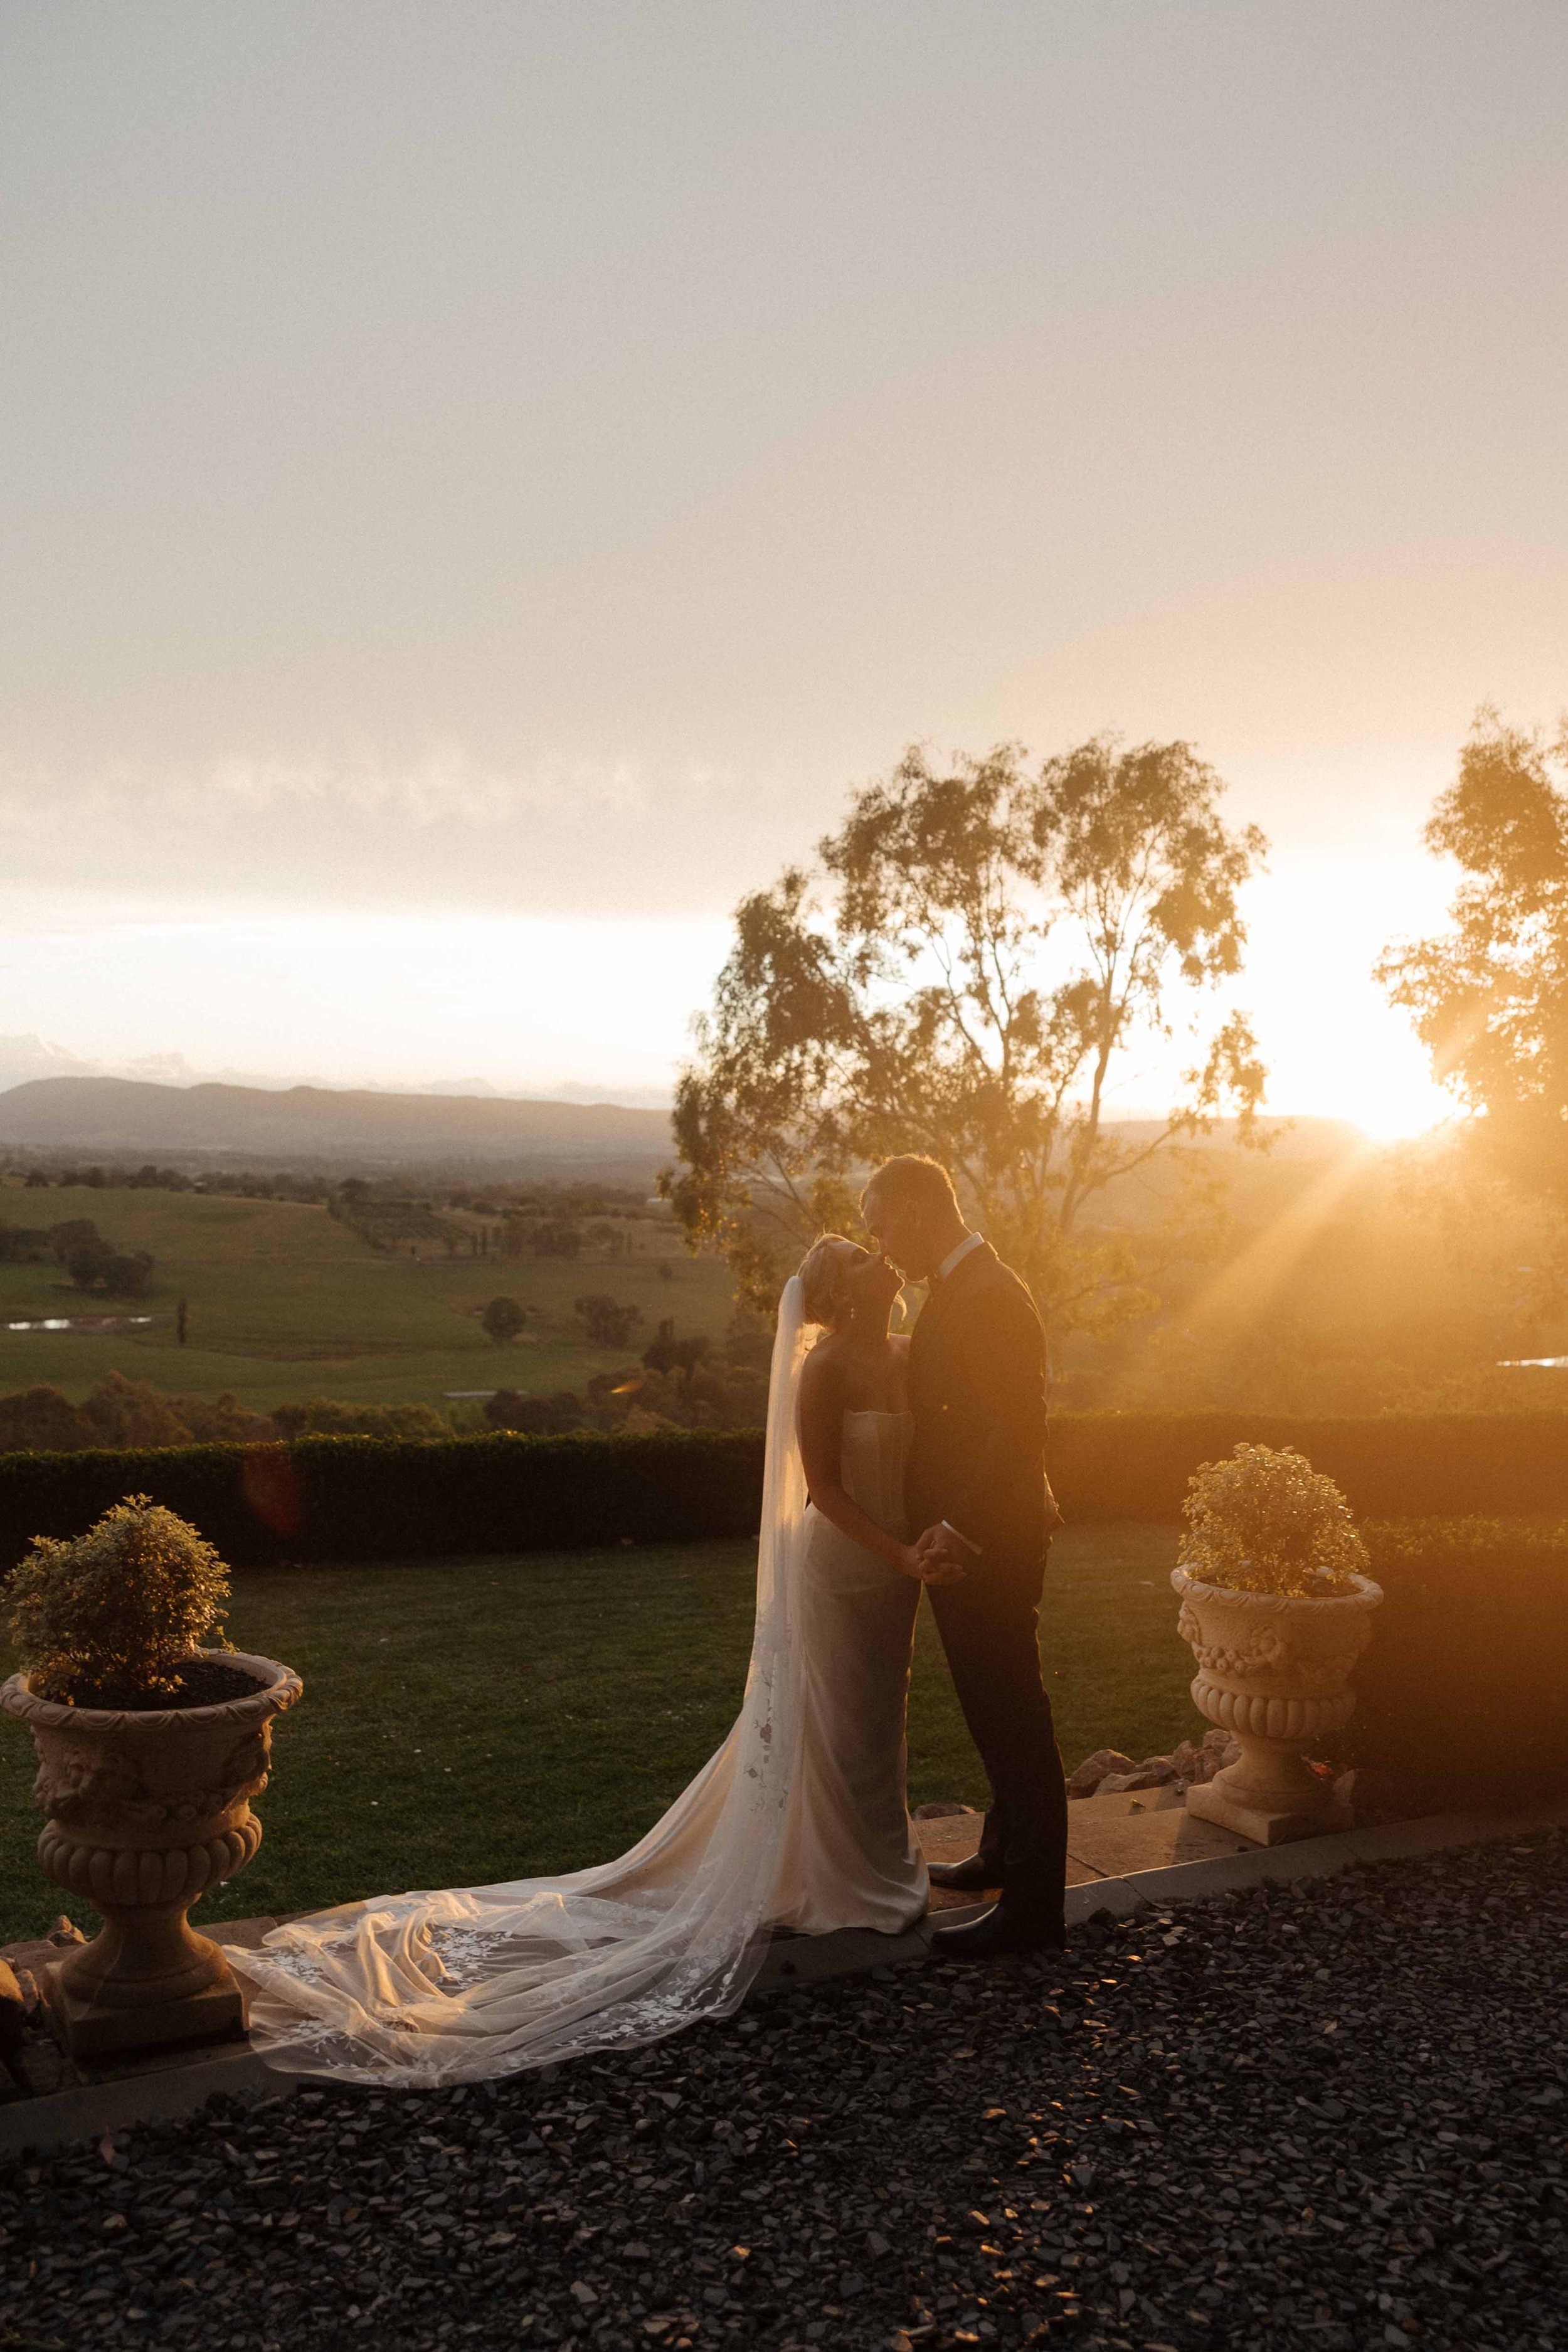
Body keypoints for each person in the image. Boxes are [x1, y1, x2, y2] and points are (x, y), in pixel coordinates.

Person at [226, 1237, 957, 2087]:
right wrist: (900, 1553)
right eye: (869, 1257)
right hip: (845, 1563)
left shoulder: (907, 1352)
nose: (888, 1262)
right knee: (837, 1718)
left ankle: (873, 1859)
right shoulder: (825, 1365)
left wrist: (925, 1544)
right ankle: (847, 1881)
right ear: (839, 1286)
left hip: (899, 1569)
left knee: (877, 1717)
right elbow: (824, 1490)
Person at [861, 1154, 1068, 1957]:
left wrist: (962, 1525)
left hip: (989, 1545)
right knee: (994, 1706)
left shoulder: (991, 1293)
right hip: (969, 1540)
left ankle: (1034, 1911)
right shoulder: (961, 1288)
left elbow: (1018, 1430)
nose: (881, 1247)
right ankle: (1000, 1851)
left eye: (881, 1226)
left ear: (914, 1211)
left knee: (1012, 1713)